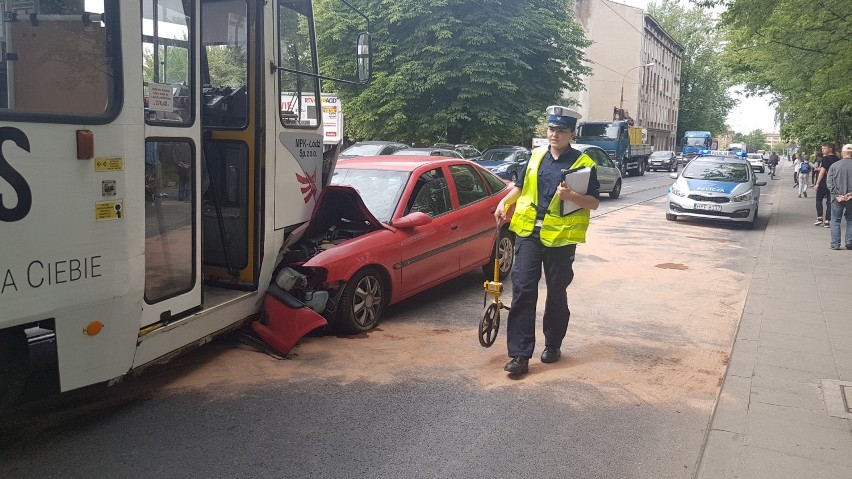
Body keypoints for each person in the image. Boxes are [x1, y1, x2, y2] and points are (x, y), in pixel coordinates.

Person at [493, 106, 600, 375]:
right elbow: (520, 186)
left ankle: (553, 343)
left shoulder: (583, 164)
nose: (555, 134)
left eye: (561, 131)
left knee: (556, 293)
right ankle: (520, 355)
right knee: (523, 290)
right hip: (529, 233)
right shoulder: (535, 156)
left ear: (571, 134)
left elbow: (594, 203)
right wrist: (504, 202)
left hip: (561, 239)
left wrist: (572, 197)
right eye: (552, 129)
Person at [827, 144, 852, 249]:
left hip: (837, 198)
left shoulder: (834, 165)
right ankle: (849, 242)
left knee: (835, 220)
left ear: (842, 153)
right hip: (851, 198)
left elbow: (829, 182)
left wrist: (837, 195)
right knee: (851, 220)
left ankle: (835, 244)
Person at [814, 143, 840, 227]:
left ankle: (819, 217)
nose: (822, 150)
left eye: (824, 148)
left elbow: (822, 172)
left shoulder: (825, 158)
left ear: (830, 149)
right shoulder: (837, 159)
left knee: (819, 199)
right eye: (822, 148)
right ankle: (827, 220)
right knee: (829, 202)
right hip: (833, 183)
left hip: (823, 182)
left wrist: (817, 183)